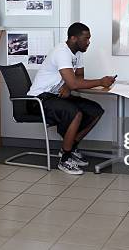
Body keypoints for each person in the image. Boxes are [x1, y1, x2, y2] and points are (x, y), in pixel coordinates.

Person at [28, 22, 116, 175]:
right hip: (39, 99)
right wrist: (100, 81)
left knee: (95, 110)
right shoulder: (62, 52)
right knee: (76, 113)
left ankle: (69, 148)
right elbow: (76, 82)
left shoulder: (78, 52)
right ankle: (65, 160)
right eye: (86, 38)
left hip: (56, 96)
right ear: (74, 38)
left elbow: (78, 77)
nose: (88, 42)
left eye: (89, 38)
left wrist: (68, 86)